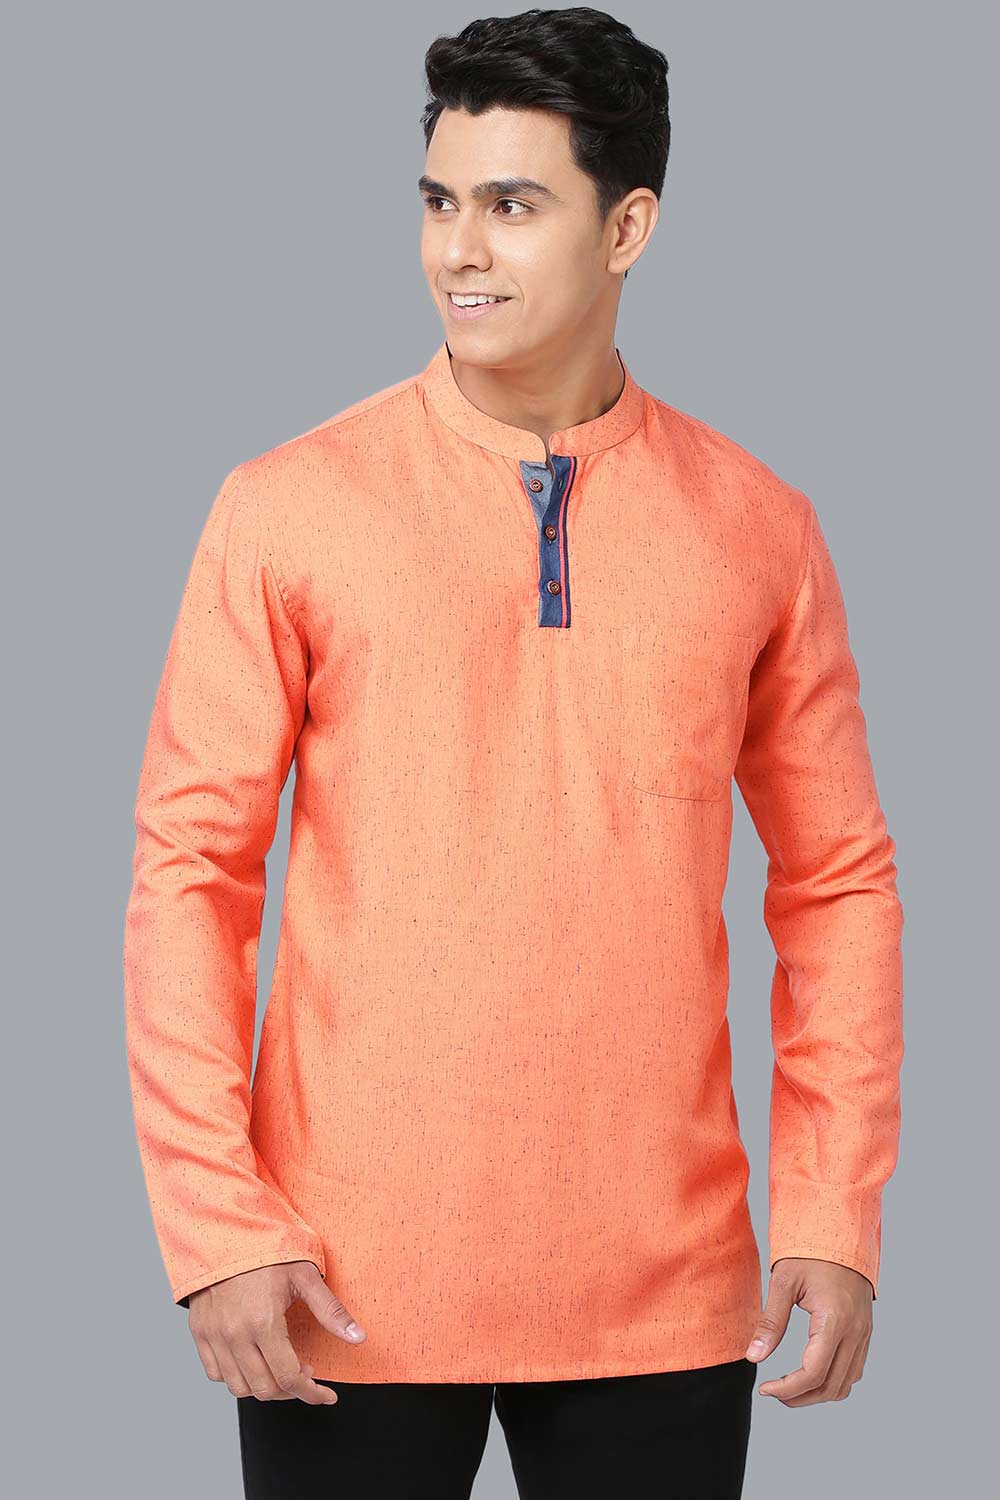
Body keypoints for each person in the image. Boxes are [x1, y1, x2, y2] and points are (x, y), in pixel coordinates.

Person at [122, 8, 904, 1497]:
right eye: (438, 201)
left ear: (629, 227)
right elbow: (190, 876)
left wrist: (832, 1208)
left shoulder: (758, 525)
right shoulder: (287, 506)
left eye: (512, 204)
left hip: (666, 1292)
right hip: (332, 1287)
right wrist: (214, 1220)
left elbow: (839, 886)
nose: (458, 250)